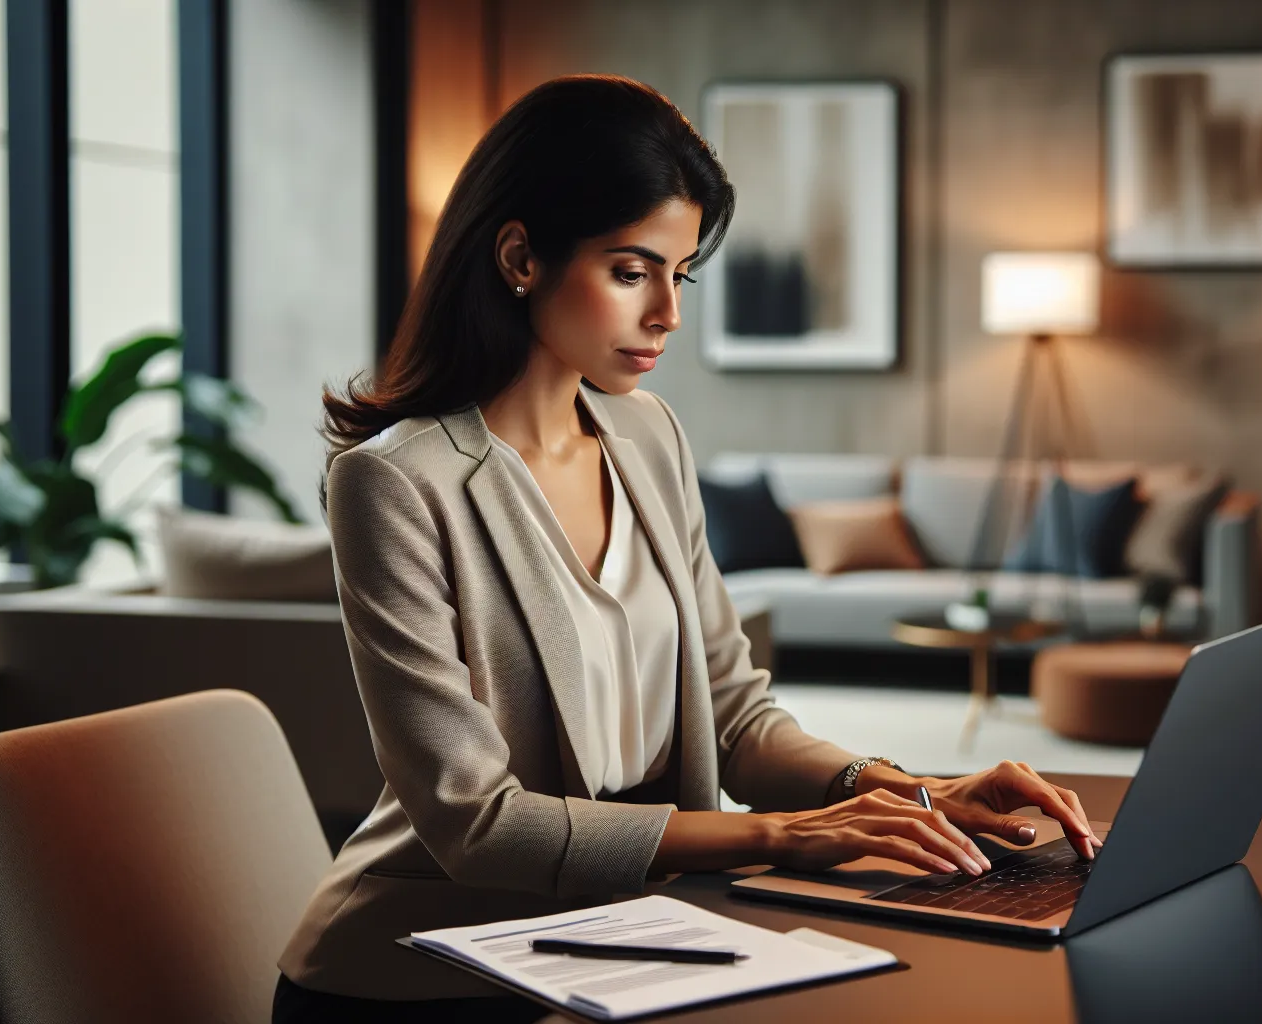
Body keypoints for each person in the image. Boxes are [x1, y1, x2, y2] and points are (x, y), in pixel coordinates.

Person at [274, 74, 1100, 1023]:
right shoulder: (397, 484)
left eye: (680, 274)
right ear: (519, 257)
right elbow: (477, 825)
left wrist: (913, 791)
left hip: (634, 940)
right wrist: (783, 838)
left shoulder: (648, 435)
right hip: (425, 980)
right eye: (632, 271)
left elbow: (739, 718)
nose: (667, 311)